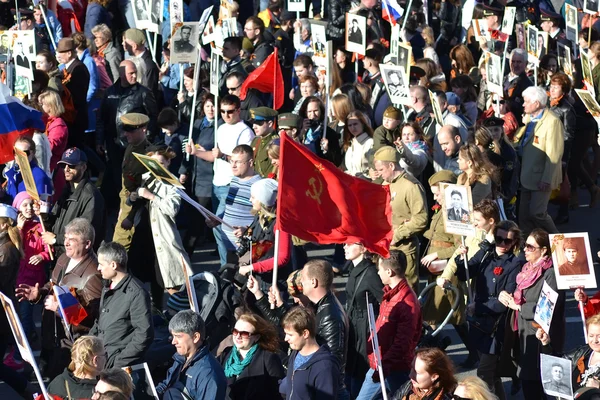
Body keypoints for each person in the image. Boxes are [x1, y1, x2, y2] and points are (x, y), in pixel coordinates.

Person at [16, 218, 102, 380]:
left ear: (87, 244)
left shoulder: (94, 274)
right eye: (66, 238)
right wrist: (39, 293)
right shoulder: (63, 259)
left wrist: (61, 309)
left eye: (73, 240)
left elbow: (92, 318)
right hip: (52, 337)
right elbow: (52, 284)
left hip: (72, 347)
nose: (67, 243)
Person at [455, 220, 523, 398]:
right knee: (493, 375)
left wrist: (477, 306)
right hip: (478, 322)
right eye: (498, 239)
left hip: (495, 326)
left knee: (484, 374)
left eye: (507, 241)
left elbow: (503, 302)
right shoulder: (486, 254)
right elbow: (464, 273)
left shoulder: (515, 264)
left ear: (514, 243)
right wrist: (461, 257)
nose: (501, 244)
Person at [498, 229, 565, 398]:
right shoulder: (526, 269)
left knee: (533, 386)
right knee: (528, 383)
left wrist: (519, 306)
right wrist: (507, 296)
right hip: (522, 331)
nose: (525, 250)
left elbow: (549, 308)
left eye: (530, 247)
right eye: (524, 246)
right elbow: (519, 294)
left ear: (544, 250)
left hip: (539, 336)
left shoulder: (551, 274)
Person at [356, 250, 422, 400]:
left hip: (391, 368)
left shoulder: (406, 302)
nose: (378, 273)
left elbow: (403, 343)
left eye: (380, 269)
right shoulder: (391, 294)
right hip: (382, 365)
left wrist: (384, 367)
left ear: (389, 272)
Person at [129, 146, 189, 307]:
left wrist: (151, 196)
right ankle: (150, 310)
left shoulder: (171, 184)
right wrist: (133, 198)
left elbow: (172, 209)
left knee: (167, 281)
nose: (157, 167)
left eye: (161, 163)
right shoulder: (145, 177)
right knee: (138, 277)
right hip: (142, 234)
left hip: (161, 237)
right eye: (154, 163)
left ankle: (180, 312)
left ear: (168, 162)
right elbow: (133, 201)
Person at [96, 60, 158, 208]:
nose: (135, 76)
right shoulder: (109, 93)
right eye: (131, 73)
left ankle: (132, 206)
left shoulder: (143, 93)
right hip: (114, 144)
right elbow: (101, 118)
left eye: (135, 72)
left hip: (134, 144)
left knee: (132, 178)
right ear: (122, 74)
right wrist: (99, 140)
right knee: (117, 177)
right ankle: (119, 207)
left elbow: (154, 117)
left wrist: (145, 139)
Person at [90, 241, 154, 368]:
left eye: (101, 264)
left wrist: (118, 362)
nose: (98, 268)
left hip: (117, 364)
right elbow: (101, 322)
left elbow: (144, 335)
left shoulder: (137, 293)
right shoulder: (108, 286)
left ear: (113, 265)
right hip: (102, 357)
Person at [373, 146, 427, 293]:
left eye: (382, 170)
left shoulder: (411, 185)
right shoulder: (386, 184)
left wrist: (397, 234)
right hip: (386, 247)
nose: (380, 174)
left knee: (405, 290)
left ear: (391, 165)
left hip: (403, 249)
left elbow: (421, 219)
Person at [513, 86, 564, 236]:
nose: (523, 104)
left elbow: (554, 154)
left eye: (526, 101)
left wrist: (547, 179)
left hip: (541, 177)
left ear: (537, 103)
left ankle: (557, 239)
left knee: (537, 213)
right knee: (523, 216)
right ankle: (530, 247)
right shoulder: (529, 119)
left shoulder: (552, 122)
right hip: (526, 175)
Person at [212, 95, 256, 266]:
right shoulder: (221, 128)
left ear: (238, 110)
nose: (225, 115)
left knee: (222, 226)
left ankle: (229, 266)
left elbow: (243, 159)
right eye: (222, 111)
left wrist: (223, 155)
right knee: (218, 227)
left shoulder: (245, 131)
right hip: (217, 182)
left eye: (230, 111)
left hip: (233, 183)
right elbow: (213, 156)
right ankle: (228, 265)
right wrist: (195, 152)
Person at [42, 147, 105, 257]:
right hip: (61, 254)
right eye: (63, 165)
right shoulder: (66, 189)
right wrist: (44, 215)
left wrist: (56, 239)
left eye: (71, 166)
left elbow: (86, 233)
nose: (66, 169)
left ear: (83, 167)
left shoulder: (91, 195)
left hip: (77, 256)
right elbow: (55, 221)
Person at [156, 310, 227, 399]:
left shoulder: (209, 374)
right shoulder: (180, 358)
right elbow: (166, 384)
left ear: (195, 337)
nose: (173, 342)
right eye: (173, 336)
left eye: (178, 336)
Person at [343, 243, 383, 397]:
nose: (344, 247)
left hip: (366, 328)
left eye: (350, 244)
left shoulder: (371, 272)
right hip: (354, 325)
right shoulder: (352, 269)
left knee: (361, 371)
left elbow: (384, 300)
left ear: (363, 248)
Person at [217, 313, 285, 399]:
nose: (238, 336)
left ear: (256, 337)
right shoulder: (226, 354)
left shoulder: (268, 358)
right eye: (235, 331)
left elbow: (279, 394)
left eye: (244, 334)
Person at [181, 92, 216, 256]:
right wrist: (183, 170)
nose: (211, 109)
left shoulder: (218, 126)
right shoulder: (196, 124)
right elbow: (188, 150)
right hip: (195, 176)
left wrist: (204, 152)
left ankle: (186, 252)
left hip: (208, 177)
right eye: (208, 105)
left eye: (213, 105)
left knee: (197, 218)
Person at [279, 306, 341, 400]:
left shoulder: (324, 367)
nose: (286, 339)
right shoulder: (295, 353)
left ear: (305, 333)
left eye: (290, 335)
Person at [112, 113, 152, 249]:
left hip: (135, 204)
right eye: (125, 129)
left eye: (130, 130)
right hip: (126, 200)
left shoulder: (147, 154)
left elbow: (143, 188)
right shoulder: (131, 147)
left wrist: (130, 216)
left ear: (143, 130)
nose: (125, 134)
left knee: (119, 247)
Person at [13, 192, 49, 340]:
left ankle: (19, 352)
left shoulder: (41, 227)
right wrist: (19, 229)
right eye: (25, 205)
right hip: (17, 279)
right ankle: (29, 334)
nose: (29, 208)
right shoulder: (15, 228)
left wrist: (42, 256)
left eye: (31, 204)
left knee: (25, 315)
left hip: (33, 281)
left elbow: (48, 250)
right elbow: (14, 248)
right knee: (20, 314)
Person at [537, 314, 600, 393]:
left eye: (599, 336)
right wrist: (546, 343)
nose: (595, 340)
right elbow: (557, 362)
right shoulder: (582, 352)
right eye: (591, 335)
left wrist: (598, 386)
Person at [55, 37, 90, 147]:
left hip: (76, 118)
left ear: (69, 53)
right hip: (71, 118)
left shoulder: (78, 69)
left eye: (61, 53)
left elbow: (76, 96)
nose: (58, 55)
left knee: (78, 149)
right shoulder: (68, 68)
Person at [3, 135, 53, 204]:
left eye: (25, 153)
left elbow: (45, 205)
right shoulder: (12, 174)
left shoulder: (39, 176)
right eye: (16, 152)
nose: (20, 156)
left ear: (33, 153)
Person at [392, 347, 457, 400]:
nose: (410, 375)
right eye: (412, 368)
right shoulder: (409, 386)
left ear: (434, 377)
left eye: (417, 372)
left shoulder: (445, 397)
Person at [38, 90, 69, 198]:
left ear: (50, 106)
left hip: (52, 170)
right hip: (45, 166)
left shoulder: (59, 125)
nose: (39, 106)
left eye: (42, 104)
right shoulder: (46, 121)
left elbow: (50, 146)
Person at [298, 96, 342, 166]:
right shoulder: (300, 130)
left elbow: (337, 161)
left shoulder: (329, 133)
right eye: (309, 111)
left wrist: (327, 150)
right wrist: (301, 134)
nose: (313, 115)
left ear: (321, 112)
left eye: (315, 111)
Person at [122, 28, 160, 98]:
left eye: (125, 42)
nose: (123, 44)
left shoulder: (148, 66)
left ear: (134, 46)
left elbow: (149, 93)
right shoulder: (132, 60)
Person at [250, 107, 280, 178]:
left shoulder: (276, 143)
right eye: (253, 122)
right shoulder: (256, 141)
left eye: (258, 123)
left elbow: (275, 169)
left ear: (270, 124)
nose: (254, 127)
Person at [343, 110, 374, 178]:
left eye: (355, 124)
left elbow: (374, 169)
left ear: (363, 124)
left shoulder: (370, 143)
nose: (353, 128)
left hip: (365, 183)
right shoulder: (350, 144)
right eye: (350, 125)